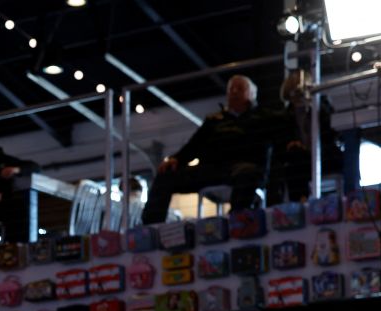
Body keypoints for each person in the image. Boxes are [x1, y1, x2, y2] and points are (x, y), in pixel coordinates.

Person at [141, 75, 280, 223]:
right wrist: (176, 159)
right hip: (210, 169)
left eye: (240, 88)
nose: (234, 92)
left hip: (243, 167)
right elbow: (193, 146)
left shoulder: (263, 118)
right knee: (165, 175)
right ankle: (151, 226)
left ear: (252, 94)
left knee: (247, 174)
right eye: (231, 88)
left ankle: (236, 222)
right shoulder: (214, 120)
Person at [272, 69, 343, 204]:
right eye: (294, 91)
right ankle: (300, 203)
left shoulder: (321, 106)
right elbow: (281, 142)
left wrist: (313, 104)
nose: (298, 95)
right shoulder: (285, 116)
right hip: (301, 160)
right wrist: (292, 145)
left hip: (325, 155)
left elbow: (332, 131)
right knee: (294, 162)